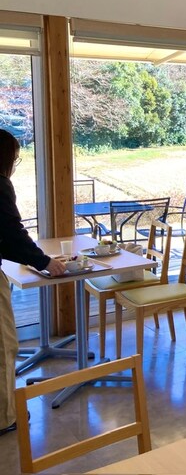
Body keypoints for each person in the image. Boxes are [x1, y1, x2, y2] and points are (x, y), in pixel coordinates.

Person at [0, 129, 66, 435]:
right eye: (15, 158)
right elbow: (12, 234)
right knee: (4, 345)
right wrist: (44, 262)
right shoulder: (0, 185)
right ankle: (5, 417)